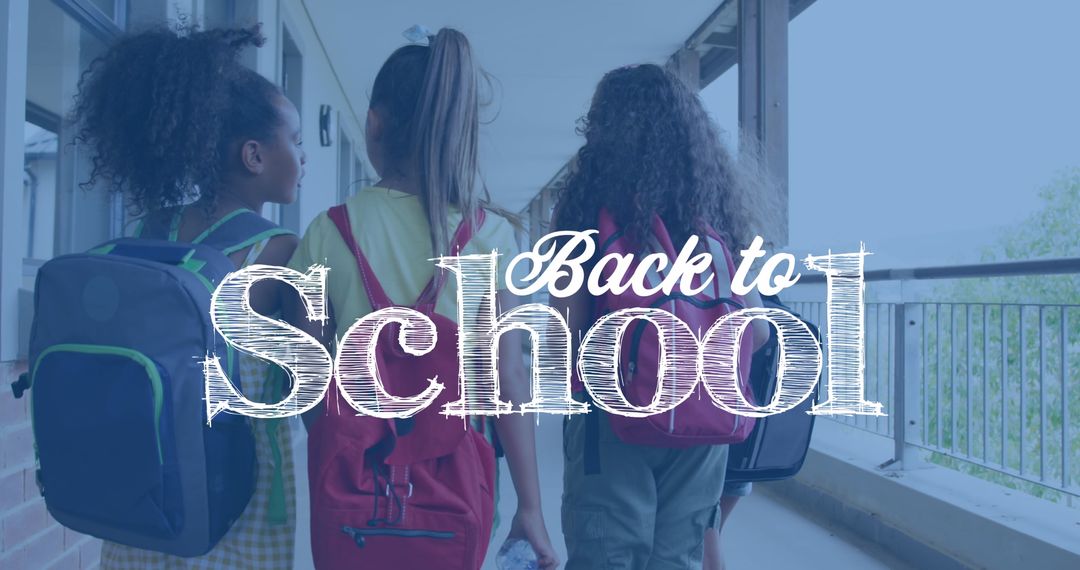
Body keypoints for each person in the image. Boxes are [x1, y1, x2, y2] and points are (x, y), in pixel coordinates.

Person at [287, 28, 559, 569]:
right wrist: (532, 506)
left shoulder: (328, 232)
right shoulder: (489, 237)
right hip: (460, 486)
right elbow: (507, 379)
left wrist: (345, 445)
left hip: (352, 489)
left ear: (374, 123)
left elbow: (306, 379)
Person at [72, 25, 304, 570]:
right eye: (293, 141)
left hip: (145, 481)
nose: (302, 156)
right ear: (254, 155)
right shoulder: (280, 249)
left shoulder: (148, 230)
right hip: (238, 491)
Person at [551, 63, 772, 569]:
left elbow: (562, 351)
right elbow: (757, 333)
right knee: (678, 560)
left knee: (606, 556)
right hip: (700, 423)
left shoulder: (588, 213)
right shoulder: (714, 219)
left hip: (610, 425)